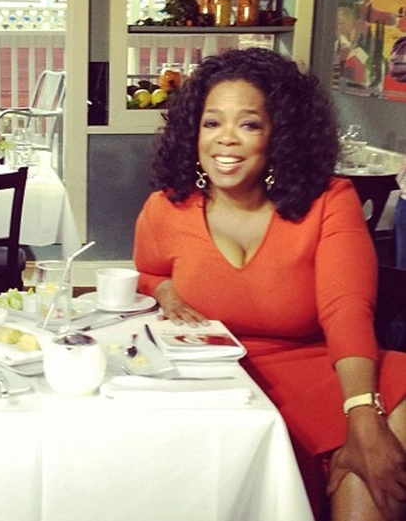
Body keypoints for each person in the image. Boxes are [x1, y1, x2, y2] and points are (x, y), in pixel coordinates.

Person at [134, 47, 405, 521]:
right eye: (212, 123)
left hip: (327, 374)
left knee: (375, 463)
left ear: (280, 133)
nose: (226, 139)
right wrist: (165, 290)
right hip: (224, 383)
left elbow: (346, 309)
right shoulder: (166, 208)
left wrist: (362, 412)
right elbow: (147, 271)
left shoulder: (330, 201)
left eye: (249, 124)